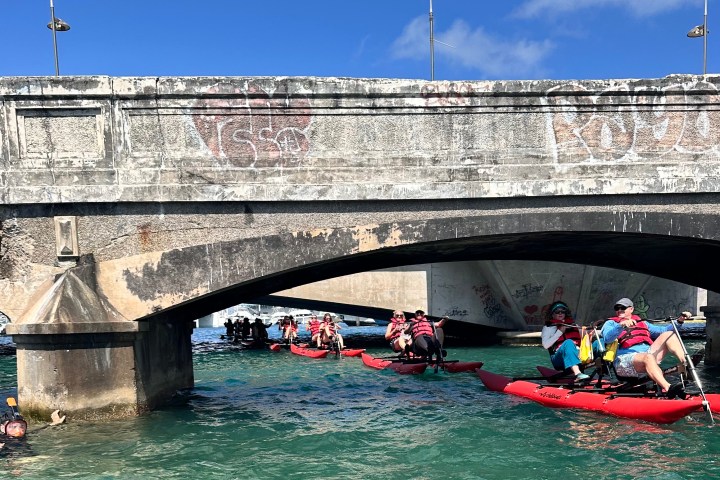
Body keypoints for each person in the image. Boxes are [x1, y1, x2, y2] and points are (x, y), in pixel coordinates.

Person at [600, 297, 689, 398]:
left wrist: (680, 321)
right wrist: (620, 325)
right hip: (624, 360)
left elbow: (663, 329)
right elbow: (607, 338)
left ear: (631, 309)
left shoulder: (643, 323)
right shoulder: (611, 323)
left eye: (623, 307)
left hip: (647, 355)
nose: (619, 310)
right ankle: (668, 388)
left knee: (669, 334)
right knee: (648, 357)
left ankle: (685, 363)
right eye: (617, 308)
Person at [541, 301, 589, 382]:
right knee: (569, 342)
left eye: (563, 311)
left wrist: (590, 332)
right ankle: (577, 373)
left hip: (579, 354)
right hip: (559, 358)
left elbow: (585, 339)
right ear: (552, 314)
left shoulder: (573, 325)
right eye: (557, 312)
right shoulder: (548, 328)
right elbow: (545, 345)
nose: (560, 313)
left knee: (598, 343)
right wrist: (560, 332)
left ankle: (606, 371)